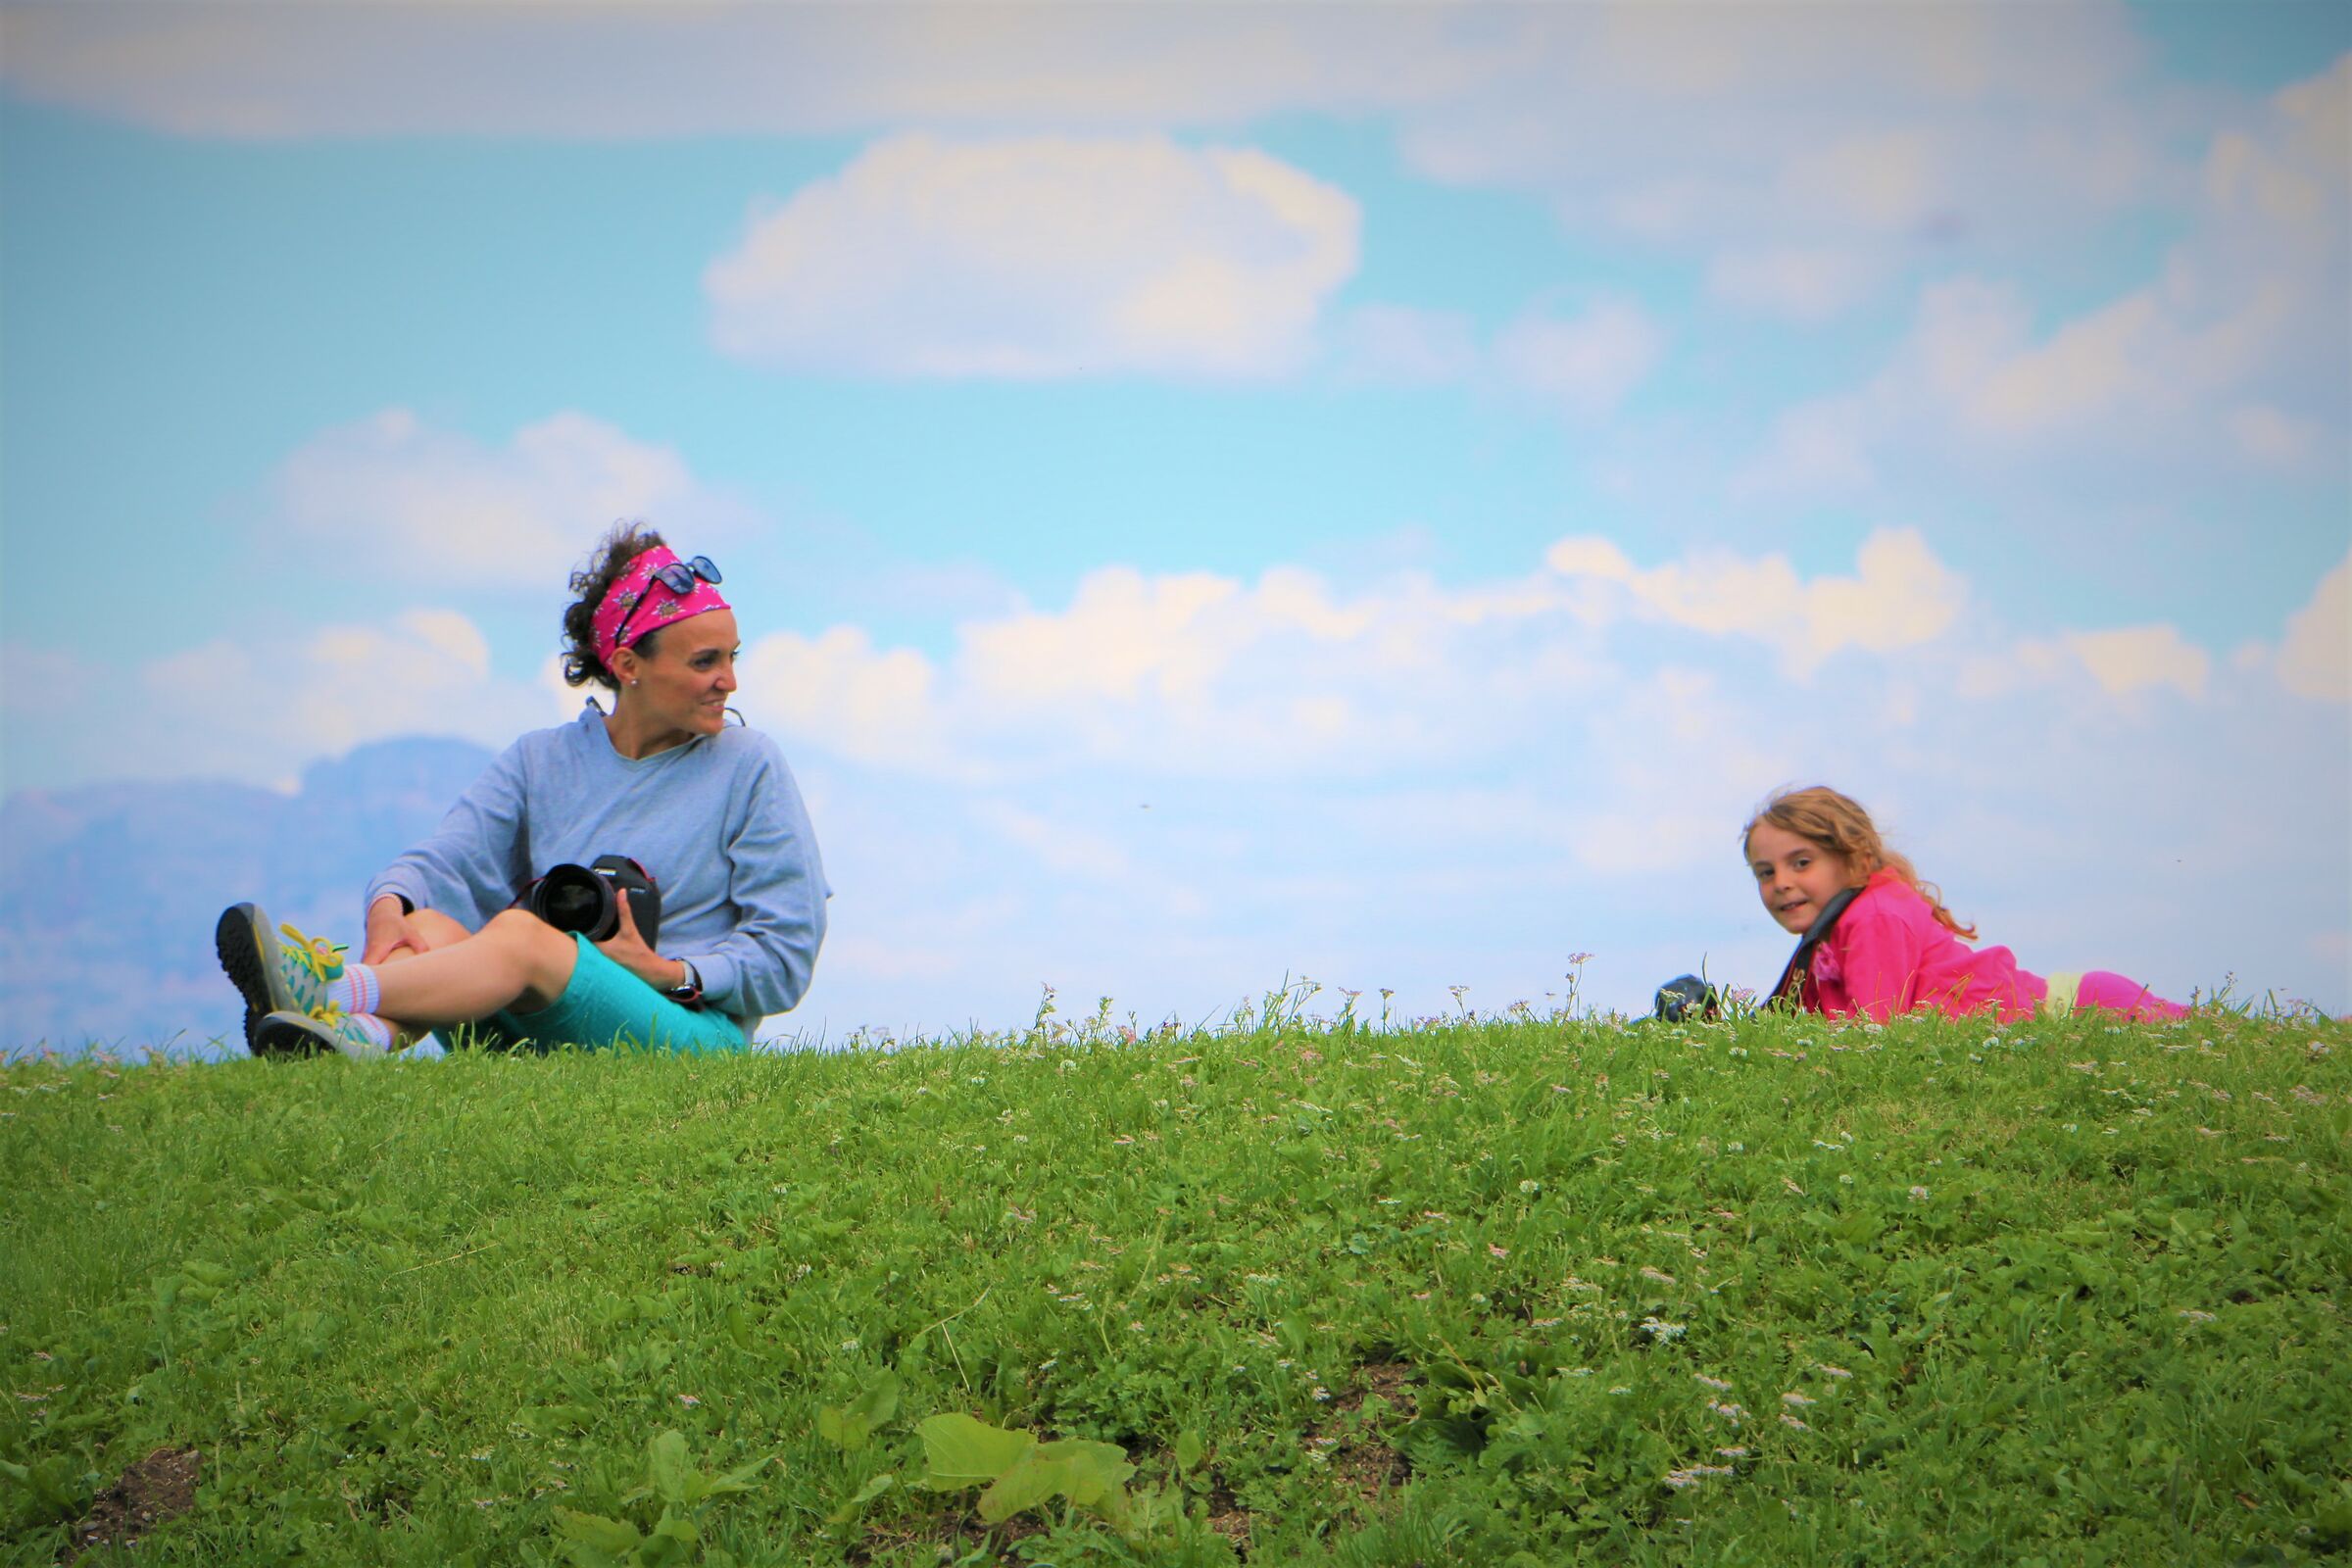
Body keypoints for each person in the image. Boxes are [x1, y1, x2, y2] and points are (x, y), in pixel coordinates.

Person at [215, 521, 829, 1057]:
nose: (730, 681)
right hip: (539, 1025)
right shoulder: (542, 759)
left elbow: (785, 958)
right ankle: (355, 1043)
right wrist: (390, 907)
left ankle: (324, 992)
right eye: (705, 662)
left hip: (690, 1034)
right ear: (627, 666)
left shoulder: (749, 766)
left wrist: (668, 971)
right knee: (428, 922)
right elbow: (446, 862)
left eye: (732, 657)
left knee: (521, 935)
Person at [1744, 785, 2186, 1023]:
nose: (1782, 883)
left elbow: (1876, 1035)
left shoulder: (1874, 916)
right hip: (2075, 1008)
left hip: (2080, 1012)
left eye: (1801, 863)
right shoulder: (1837, 927)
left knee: (2225, 1037)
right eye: (1766, 872)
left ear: (1854, 859)